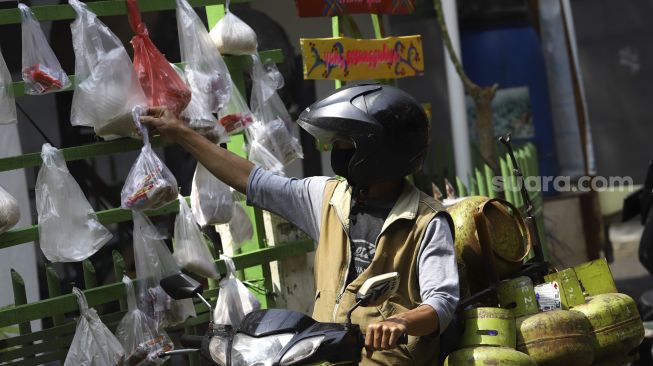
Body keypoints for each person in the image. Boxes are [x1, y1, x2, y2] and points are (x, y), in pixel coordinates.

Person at [140, 83, 459, 365]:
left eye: (346, 141)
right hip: (322, 354)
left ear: (379, 151)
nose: (335, 148)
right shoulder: (329, 197)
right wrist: (181, 133)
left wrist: (401, 323)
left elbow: (441, 303)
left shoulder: (427, 221)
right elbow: (255, 182)